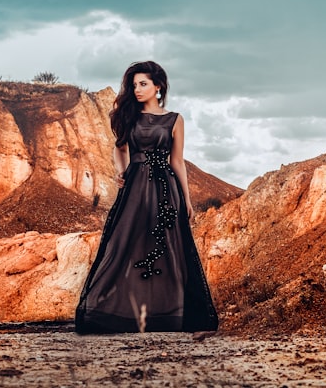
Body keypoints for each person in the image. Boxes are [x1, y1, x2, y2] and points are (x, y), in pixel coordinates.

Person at [75, 61, 219, 333]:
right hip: (134, 189)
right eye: (134, 85)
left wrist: (186, 199)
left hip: (167, 191)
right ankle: (118, 312)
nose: (137, 89)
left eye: (143, 84)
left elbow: (177, 161)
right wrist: (120, 171)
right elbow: (119, 149)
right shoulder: (128, 115)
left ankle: (167, 316)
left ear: (158, 86)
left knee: (170, 251)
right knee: (125, 245)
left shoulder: (175, 119)